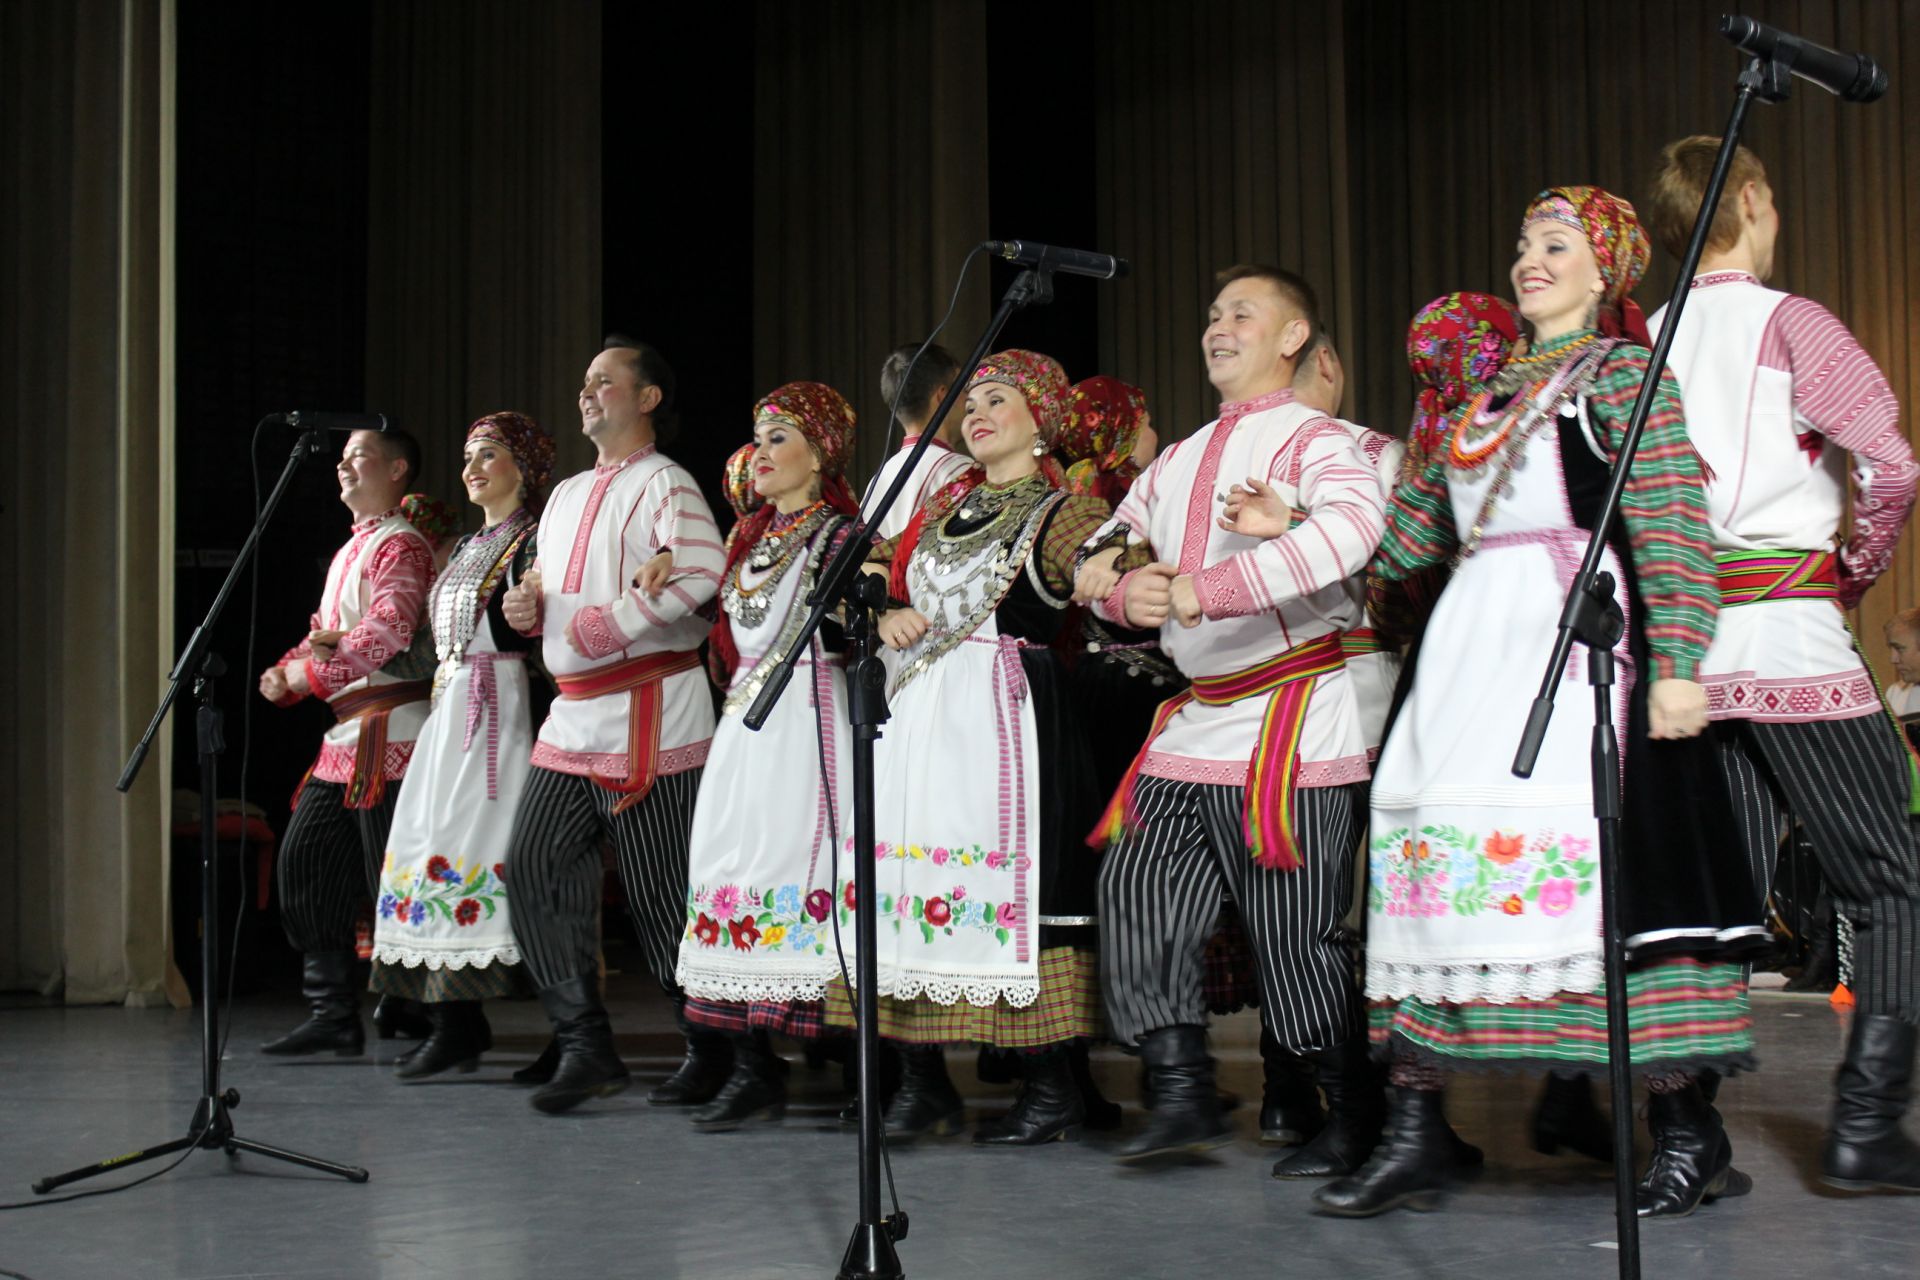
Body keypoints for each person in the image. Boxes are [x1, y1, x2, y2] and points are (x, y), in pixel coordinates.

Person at [1319, 186, 1768, 1219]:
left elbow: (1665, 516)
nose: (1529, 258)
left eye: (1554, 243)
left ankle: (1684, 1126)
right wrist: (1293, 528)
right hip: (1472, 652)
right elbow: (1413, 539)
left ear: (1606, 267)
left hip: (1578, 648)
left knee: (1603, 883)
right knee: (1434, 870)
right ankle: (1417, 1127)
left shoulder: (1620, 376)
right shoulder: (1482, 396)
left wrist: (1682, 663)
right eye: (1523, 241)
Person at [1647, 136, 1920, 1194]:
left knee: (1713, 898)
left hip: (1684, 654)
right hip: (1791, 632)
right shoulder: (1790, 319)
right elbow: (1891, 463)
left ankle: (1689, 1142)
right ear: (1753, 199)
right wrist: (1852, 569)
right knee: (1891, 879)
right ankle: (1863, 1129)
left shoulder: (1643, 340)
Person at [1076, 266, 1387, 1174]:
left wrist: (1205, 590)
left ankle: (1351, 1107)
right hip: (1199, 718)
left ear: (1293, 338)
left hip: (1295, 708)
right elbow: (1105, 543)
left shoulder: (1323, 441)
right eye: (1212, 314)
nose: (1218, 327)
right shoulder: (1175, 458)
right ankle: (1179, 1088)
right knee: (1136, 885)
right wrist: (1120, 587)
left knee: (1296, 935)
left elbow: (1352, 532)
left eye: (1241, 314)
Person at [836, 349, 1111, 1147]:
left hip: (1005, 716)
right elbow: (877, 574)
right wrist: (885, 610)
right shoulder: (943, 505)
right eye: (974, 399)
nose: (978, 411)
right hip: (923, 711)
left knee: (1006, 891)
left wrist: (1110, 568)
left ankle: (1053, 1085)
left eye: (1000, 398)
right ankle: (923, 1082)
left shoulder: (1062, 508)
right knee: (908, 875)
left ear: (1041, 422)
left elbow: (1098, 560)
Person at [497, 336, 727, 1114]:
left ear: (648, 398)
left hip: (650, 709)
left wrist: (612, 624)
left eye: (605, 381)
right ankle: (583, 1041)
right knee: (533, 863)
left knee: (663, 890)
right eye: (585, 382)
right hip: (572, 714)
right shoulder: (561, 496)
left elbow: (703, 571)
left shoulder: (668, 482)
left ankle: (708, 1043)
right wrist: (527, 608)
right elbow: (542, 587)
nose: (588, 392)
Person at [673, 382, 860, 1131]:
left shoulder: (843, 536)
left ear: (820, 457)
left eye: (780, 438)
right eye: (758, 437)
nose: (761, 454)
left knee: (802, 872)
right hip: (744, 726)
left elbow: (853, 632)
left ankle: (852, 1065)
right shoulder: (746, 539)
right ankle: (753, 1066)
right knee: (731, 870)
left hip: (807, 723)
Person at [368, 412, 554, 1078]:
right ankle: (455, 1021)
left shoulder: (535, 541)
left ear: (524, 468)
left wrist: (533, 613)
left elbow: (546, 631)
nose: (472, 468)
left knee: (495, 856)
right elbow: (425, 646)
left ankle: (563, 1029)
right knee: (432, 847)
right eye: (469, 456)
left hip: (502, 711)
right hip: (450, 712)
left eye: (490, 455)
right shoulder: (466, 548)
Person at [258, 428, 435, 1056]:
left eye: (359, 456)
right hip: (346, 736)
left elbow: (386, 628)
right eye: (341, 459)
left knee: (394, 870)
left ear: (397, 468)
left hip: (393, 730)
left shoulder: (402, 546)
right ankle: (333, 1010)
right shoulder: (349, 551)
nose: (343, 466)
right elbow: (326, 635)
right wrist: (289, 672)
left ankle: (419, 1005)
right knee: (306, 862)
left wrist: (311, 669)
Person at [863, 343, 975, 541]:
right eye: (965, 389)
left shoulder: (877, 481)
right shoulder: (960, 471)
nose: (970, 400)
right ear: (942, 396)